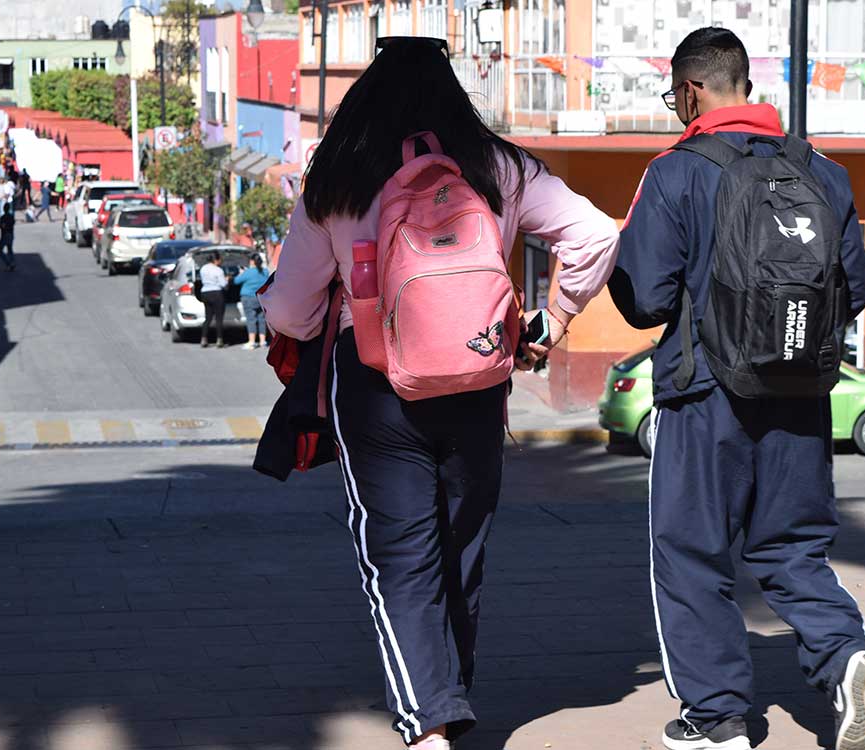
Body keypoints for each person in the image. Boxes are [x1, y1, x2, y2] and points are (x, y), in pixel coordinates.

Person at [259, 38, 618, 750]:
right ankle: (446, 703)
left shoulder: (338, 177)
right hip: (480, 379)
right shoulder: (498, 166)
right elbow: (596, 235)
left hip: (376, 387)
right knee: (461, 549)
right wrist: (550, 321)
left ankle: (428, 726)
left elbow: (291, 313)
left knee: (398, 556)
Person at [608, 28, 865, 750]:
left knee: (691, 554)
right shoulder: (822, 170)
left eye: (674, 95)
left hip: (703, 396)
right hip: (800, 392)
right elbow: (856, 287)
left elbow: (645, 299)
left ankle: (717, 717)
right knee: (794, 549)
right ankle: (844, 652)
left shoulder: (674, 171)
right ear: (746, 86)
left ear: (691, 90)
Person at [233, 255, 270, 350]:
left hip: (248, 298)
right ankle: (262, 341)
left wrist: (241, 273)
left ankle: (252, 342)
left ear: (252, 261)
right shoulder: (265, 271)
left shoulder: (248, 272)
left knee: (251, 319)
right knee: (262, 319)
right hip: (261, 298)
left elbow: (236, 281)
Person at [198, 252, 229, 348]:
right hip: (216, 293)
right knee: (218, 318)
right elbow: (223, 285)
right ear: (216, 260)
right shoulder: (218, 270)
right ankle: (219, 340)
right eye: (220, 259)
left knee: (208, 317)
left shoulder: (203, 268)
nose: (221, 261)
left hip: (205, 293)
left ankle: (204, 338)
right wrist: (227, 279)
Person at [0, 202, 16, 271]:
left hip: (4, 235)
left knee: (0, 250)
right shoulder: (12, 217)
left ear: (4, 209)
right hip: (11, 234)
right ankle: (12, 263)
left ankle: (8, 263)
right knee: (10, 249)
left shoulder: (2, 217)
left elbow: (2, 226)